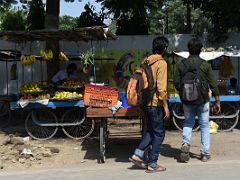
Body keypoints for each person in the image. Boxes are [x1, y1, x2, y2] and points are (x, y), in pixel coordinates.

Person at [174, 38, 221, 163]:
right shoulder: (205, 64)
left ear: (188, 49)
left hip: (187, 100)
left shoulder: (181, 64)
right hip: (203, 100)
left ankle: (185, 143)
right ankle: (204, 154)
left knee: (188, 123)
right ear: (200, 50)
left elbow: (177, 82)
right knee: (204, 125)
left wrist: (184, 93)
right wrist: (217, 100)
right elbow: (213, 84)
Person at [129, 36, 170, 173]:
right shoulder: (161, 63)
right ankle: (152, 163)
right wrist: (165, 106)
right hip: (155, 103)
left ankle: (138, 154)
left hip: (145, 102)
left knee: (152, 131)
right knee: (159, 134)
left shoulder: (145, 61)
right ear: (164, 48)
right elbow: (161, 88)